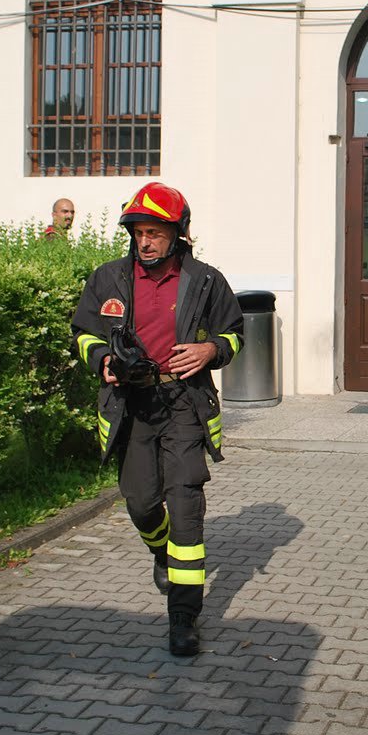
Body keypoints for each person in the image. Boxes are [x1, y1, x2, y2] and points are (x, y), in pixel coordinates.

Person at [70, 183, 243, 657]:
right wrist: (102, 358)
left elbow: (235, 333)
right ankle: (160, 550)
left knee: (186, 502)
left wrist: (212, 349)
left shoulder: (206, 280)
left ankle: (184, 616)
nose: (146, 242)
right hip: (132, 406)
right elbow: (83, 332)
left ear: (178, 233)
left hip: (184, 402)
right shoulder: (107, 278)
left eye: (156, 233)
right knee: (141, 502)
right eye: (139, 232)